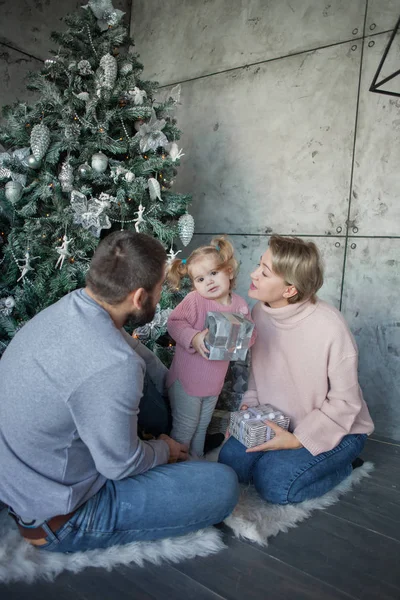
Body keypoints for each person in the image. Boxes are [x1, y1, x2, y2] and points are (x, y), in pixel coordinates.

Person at [0, 231, 239, 553]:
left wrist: (181, 390)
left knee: (149, 381)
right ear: (140, 298)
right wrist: (163, 451)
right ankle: (173, 456)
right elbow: (119, 465)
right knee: (221, 485)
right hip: (58, 513)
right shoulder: (111, 363)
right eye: (158, 291)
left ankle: (173, 444)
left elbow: (144, 359)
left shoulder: (72, 306)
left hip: (31, 472)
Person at [219, 235, 374, 504]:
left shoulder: (330, 327)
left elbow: (345, 403)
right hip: (279, 420)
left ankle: (346, 465)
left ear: (289, 289)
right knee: (231, 465)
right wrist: (250, 409)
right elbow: (258, 373)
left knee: (276, 485)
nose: (254, 274)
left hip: (341, 428)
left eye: (264, 272)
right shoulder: (259, 312)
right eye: (259, 265)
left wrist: (298, 440)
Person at [166, 236, 255, 457]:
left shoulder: (239, 305)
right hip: (186, 381)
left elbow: (250, 335)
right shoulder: (195, 300)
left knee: (202, 428)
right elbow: (174, 323)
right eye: (200, 279)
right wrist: (194, 337)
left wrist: (243, 338)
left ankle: (196, 465)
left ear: (230, 271)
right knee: (185, 430)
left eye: (214, 273)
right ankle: (177, 472)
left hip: (213, 383)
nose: (209, 282)